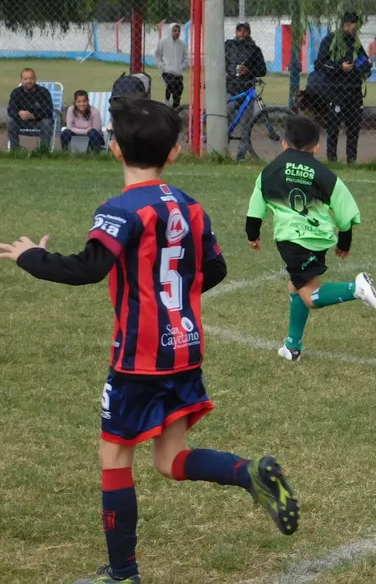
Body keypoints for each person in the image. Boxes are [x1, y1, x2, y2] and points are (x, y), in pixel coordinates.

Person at [0, 98, 299, 584]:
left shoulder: (120, 209)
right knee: (170, 458)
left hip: (140, 357)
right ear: (175, 153)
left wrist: (31, 256)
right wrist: (175, 301)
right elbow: (215, 268)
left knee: (114, 455)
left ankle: (122, 573)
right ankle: (249, 473)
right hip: (183, 348)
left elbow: (87, 268)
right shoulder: (189, 206)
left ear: (114, 149)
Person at [245, 115, 376, 361]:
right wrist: (345, 241)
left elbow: (256, 209)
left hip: (292, 240)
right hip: (319, 237)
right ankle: (292, 346)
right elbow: (345, 209)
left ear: (284, 144)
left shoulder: (269, 171)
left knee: (310, 296)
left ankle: (356, 289)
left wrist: (252, 234)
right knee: (295, 286)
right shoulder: (324, 173)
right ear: (316, 146)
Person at [307, 12, 372, 163]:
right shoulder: (330, 40)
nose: (358, 28)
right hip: (335, 91)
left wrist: (365, 68)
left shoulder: (355, 42)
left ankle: (351, 160)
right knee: (333, 127)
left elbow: (363, 60)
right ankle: (332, 159)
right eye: (356, 25)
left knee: (354, 126)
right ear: (347, 24)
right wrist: (339, 67)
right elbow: (319, 64)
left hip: (354, 91)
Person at [224, 23, 268, 159]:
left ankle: (241, 155)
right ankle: (219, 148)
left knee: (246, 124)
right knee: (224, 117)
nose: (242, 33)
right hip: (230, 87)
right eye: (239, 30)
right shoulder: (228, 45)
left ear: (249, 32)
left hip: (247, 88)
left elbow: (263, 70)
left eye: (245, 30)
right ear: (236, 31)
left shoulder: (255, 50)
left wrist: (249, 71)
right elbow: (219, 61)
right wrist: (225, 71)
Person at [7, 67, 53, 151]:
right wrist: (19, 113)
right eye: (25, 79)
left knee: (47, 122)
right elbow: (10, 110)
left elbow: (48, 111)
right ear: (21, 80)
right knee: (10, 121)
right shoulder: (16, 92)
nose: (28, 81)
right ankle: (15, 151)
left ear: (35, 79)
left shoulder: (44, 92)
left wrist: (33, 115)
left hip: (39, 123)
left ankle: (44, 151)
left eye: (31, 78)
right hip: (21, 122)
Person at [154, 23, 189, 108]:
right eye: (174, 30)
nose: (177, 32)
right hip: (167, 72)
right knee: (171, 84)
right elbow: (157, 55)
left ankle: (175, 108)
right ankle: (166, 101)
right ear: (170, 31)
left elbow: (186, 58)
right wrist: (162, 66)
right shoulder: (163, 42)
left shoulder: (182, 44)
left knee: (179, 89)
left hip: (178, 72)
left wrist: (181, 67)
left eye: (179, 31)